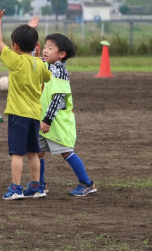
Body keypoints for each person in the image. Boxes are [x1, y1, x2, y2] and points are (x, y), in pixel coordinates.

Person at [0, 6, 51, 200]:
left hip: (18, 114)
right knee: (33, 152)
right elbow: (47, 78)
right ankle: (37, 186)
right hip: (35, 114)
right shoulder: (39, 63)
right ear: (35, 45)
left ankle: (16, 188)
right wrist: (37, 53)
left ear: (15, 45)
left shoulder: (16, 61)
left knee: (17, 153)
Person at [35, 31, 96, 196]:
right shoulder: (48, 65)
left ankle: (86, 183)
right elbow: (33, 60)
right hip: (42, 118)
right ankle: (40, 185)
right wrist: (34, 43)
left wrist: (47, 120)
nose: (46, 50)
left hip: (56, 121)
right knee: (38, 151)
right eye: (45, 46)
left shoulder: (60, 71)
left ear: (61, 54)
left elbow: (58, 99)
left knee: (66, 152)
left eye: (50, 48)